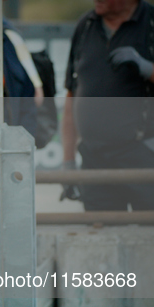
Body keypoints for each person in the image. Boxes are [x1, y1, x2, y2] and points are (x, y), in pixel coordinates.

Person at [61, 0, 154, 210]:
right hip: (94, 158)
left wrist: (147, 68)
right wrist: (68, 163)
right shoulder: (86, 25)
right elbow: (72, 95)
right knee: (100, 232)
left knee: (149, 236)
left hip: (144, 155)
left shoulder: (150, 22)